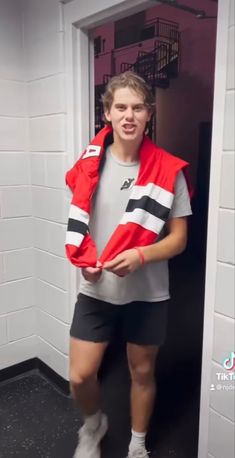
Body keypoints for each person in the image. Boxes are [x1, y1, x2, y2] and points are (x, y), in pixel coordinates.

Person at [65, 71, 193, 458]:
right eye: (120, 107)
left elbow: (178, 239)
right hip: (97, 290)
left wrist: (141, 255)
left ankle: (137, 446)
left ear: (148, 114)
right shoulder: (89, 168)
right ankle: (94, 424)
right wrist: (84, 263)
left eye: (138, 107)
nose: (129, 115)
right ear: (107, 112)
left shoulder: (169, 172)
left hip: (147, 293)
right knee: (80, 375)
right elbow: (80, 227)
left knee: (141, 373)